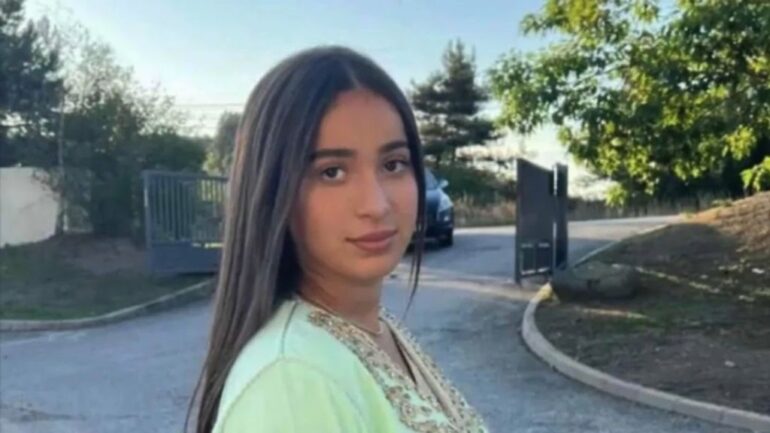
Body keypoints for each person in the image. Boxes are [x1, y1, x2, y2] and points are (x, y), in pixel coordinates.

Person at [188, 46, 489, 433]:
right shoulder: (290, 384)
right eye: (332, 172)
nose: (376, 204)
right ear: (273, 192)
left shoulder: (373, 327)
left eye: (393, 164)